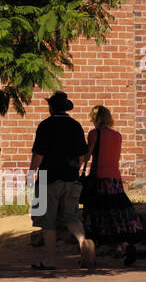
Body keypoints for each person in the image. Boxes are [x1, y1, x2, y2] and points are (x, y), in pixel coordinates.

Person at [28, 91, 96, 270]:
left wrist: (30, 173)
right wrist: (76, 169)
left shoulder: (45, 126)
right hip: (72, 179)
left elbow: (39, 155)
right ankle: (83, 242)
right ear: (66, 108)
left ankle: (50, 261)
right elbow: (82, 156)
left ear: (51, 107)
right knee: (71, 217)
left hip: (49, 179)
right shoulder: (75, 126)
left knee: (48, 221)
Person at [80, 106, 144, 266]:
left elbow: (87, 156)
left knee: (94, 215)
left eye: (92, 118)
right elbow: (116, 157)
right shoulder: (117, 136)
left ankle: (89, 256)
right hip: (115, 179)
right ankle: (125, 245)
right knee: (117, 214)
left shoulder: (94, 134)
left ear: (97, 118)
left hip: (99, 180)